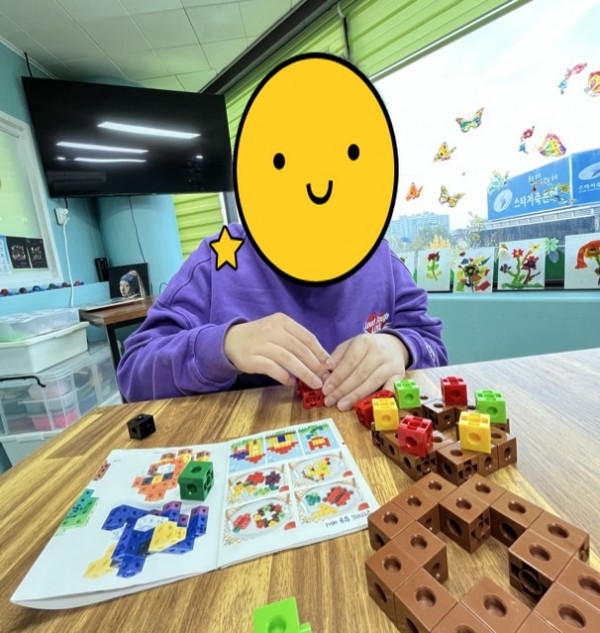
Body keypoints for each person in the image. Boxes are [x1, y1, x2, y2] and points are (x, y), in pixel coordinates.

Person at [117, 54, 448, 409]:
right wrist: (226, 345)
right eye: (288, 159)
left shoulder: (380, 259)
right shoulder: (217, 262)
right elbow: (134, 373)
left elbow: (434, 347)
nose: (318, 182)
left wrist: (400, 347)